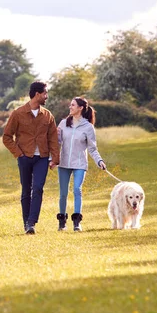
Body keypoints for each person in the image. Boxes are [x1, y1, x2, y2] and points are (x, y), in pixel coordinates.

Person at [3, 81, 60, 235]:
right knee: (26, 190)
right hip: (24, 158)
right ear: (37, 94)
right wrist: (18, 153)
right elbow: (7, 137)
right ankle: (26, 223)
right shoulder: (18, 113)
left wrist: (55, 157)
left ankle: (31, 223)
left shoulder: (48, 115)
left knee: (38, 188)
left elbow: (53, 138)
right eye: (45, 93)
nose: (47, 96)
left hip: (42, 157)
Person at [56, 97, 106, 231]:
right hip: (64, 163)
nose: (70, 107)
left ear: (80, 108)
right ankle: (62, 222)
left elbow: (92, 148)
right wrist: (52, 158)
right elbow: (57, 143)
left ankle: (77, 222)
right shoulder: (63, 123)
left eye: (73, 105)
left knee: (77, 189)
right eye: (70, 105)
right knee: (63, 193)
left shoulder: (88, 127)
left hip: (79, 164)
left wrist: (99, 161)